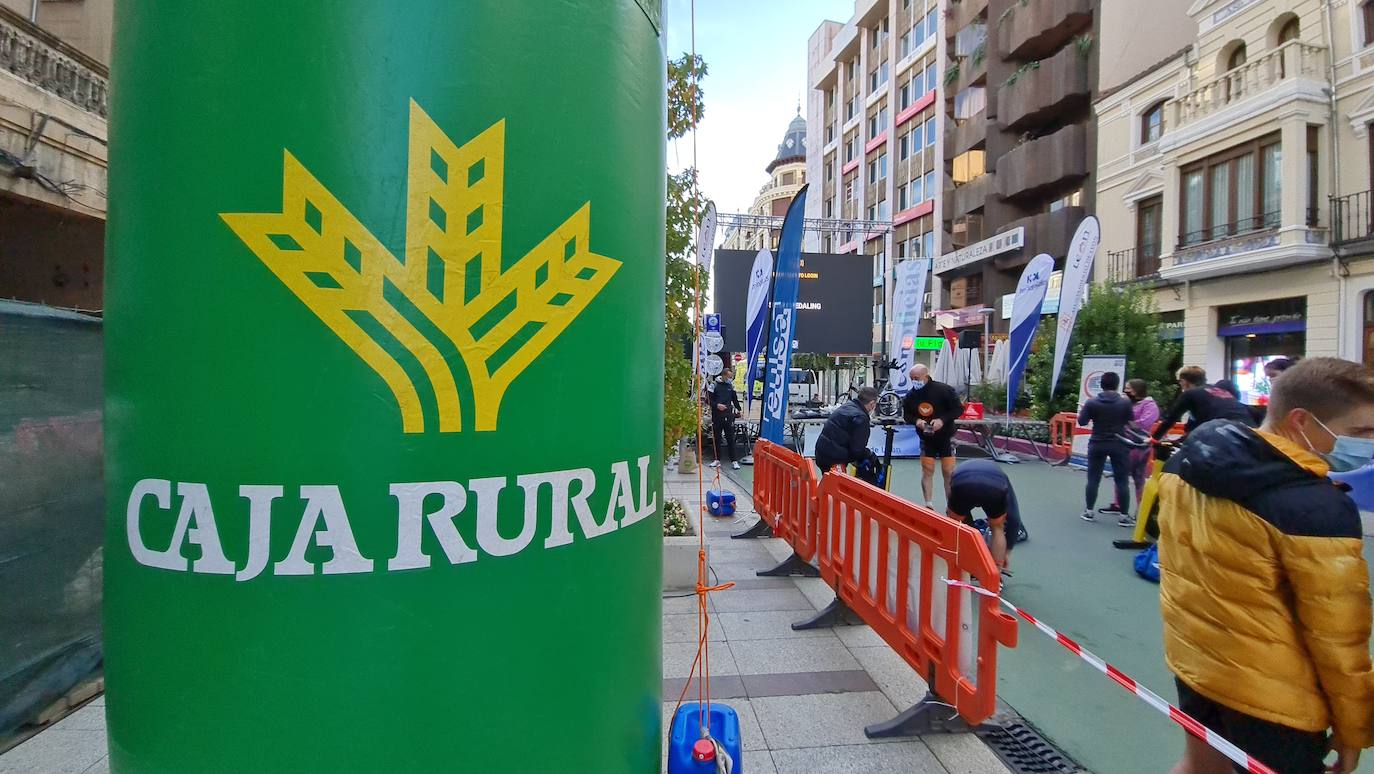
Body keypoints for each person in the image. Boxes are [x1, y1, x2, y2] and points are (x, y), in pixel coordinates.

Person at [1158, 357, 1374, 774]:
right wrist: (1354, 729)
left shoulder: (1190, 461)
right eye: (1362, 432)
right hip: (1275, 697)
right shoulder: (1317, 509)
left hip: (1197, 663)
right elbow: (1339, 638)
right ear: (1301, 421)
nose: (1369, 442)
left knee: (1201, 767)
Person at [946, 459, 1026, 574]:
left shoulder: (956, 474)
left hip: (963, 483)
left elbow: (952, 510)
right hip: (994, 486)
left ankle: (964, 568)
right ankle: (996, 573)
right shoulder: (1003, 480)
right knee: (997, 528)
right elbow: (1015, 519)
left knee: (956, 526)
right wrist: (1006, 553)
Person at [902, 363, 964, 508]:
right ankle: (928, 504)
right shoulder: (911, 395)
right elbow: (907, 415)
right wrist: (917, 421)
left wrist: (942, 420)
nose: (914, 381)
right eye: (911, 378)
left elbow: (958, 409)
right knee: (927, 470)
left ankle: (951, 506)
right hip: (926, 438)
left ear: (926, 376)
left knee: (948, 471)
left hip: (946, 437)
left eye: (916, 378)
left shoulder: (944, 390)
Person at [1077, 371, 1134, 522]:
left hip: (1097, 442)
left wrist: (1086, 410)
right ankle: (1124, 516)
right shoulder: (1125, 402)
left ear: (1101, 385)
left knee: (1093, 479)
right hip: (1119, 443)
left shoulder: (1092, 402)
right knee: (1122, 480)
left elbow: (1082, 422)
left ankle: (1089, 511)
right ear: (1117, 384)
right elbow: (1131, 423)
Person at [1152, 365, 1255, 441]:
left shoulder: (1190, 394)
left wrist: (1154, 438)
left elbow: (1171, 418)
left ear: (1184, 381)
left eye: (1180, 381)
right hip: (1250, 431)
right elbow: (1196, 423)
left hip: (1227, 432)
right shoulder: (1218, 391)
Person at [1108, 379, 1161, 526]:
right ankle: (1117, 504)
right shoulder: (1126, 403)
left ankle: (1141, 510)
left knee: (1138, 478)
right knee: (1120, 474)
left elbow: (1143, 424)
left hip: (1139, 445)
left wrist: (1126, 421)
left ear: (1137, 390)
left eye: (1128, 389)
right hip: (1123, 443)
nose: (1125, 391)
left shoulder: (1150, 406)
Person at [815, 386, 877, 476]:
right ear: (872, 403)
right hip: (835, 459)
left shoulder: (848, 405)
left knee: (827, 482)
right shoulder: (861, 418)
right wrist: (869, 455)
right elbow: (857, 449)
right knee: (837, 486)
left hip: (822, 452)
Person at [709, 368, 742, 470]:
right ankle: (717, 459)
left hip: (728, 415)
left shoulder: (731, 386)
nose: (730, 379)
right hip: (717, 415)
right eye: (729, 377)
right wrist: (717, 405)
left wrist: (739, 409)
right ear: (723, 376)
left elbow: (735, 399)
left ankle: (734, 461)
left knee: (730, 439)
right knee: (717, 438)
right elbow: (708, 400)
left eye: (731, 377)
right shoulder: (714, 385)